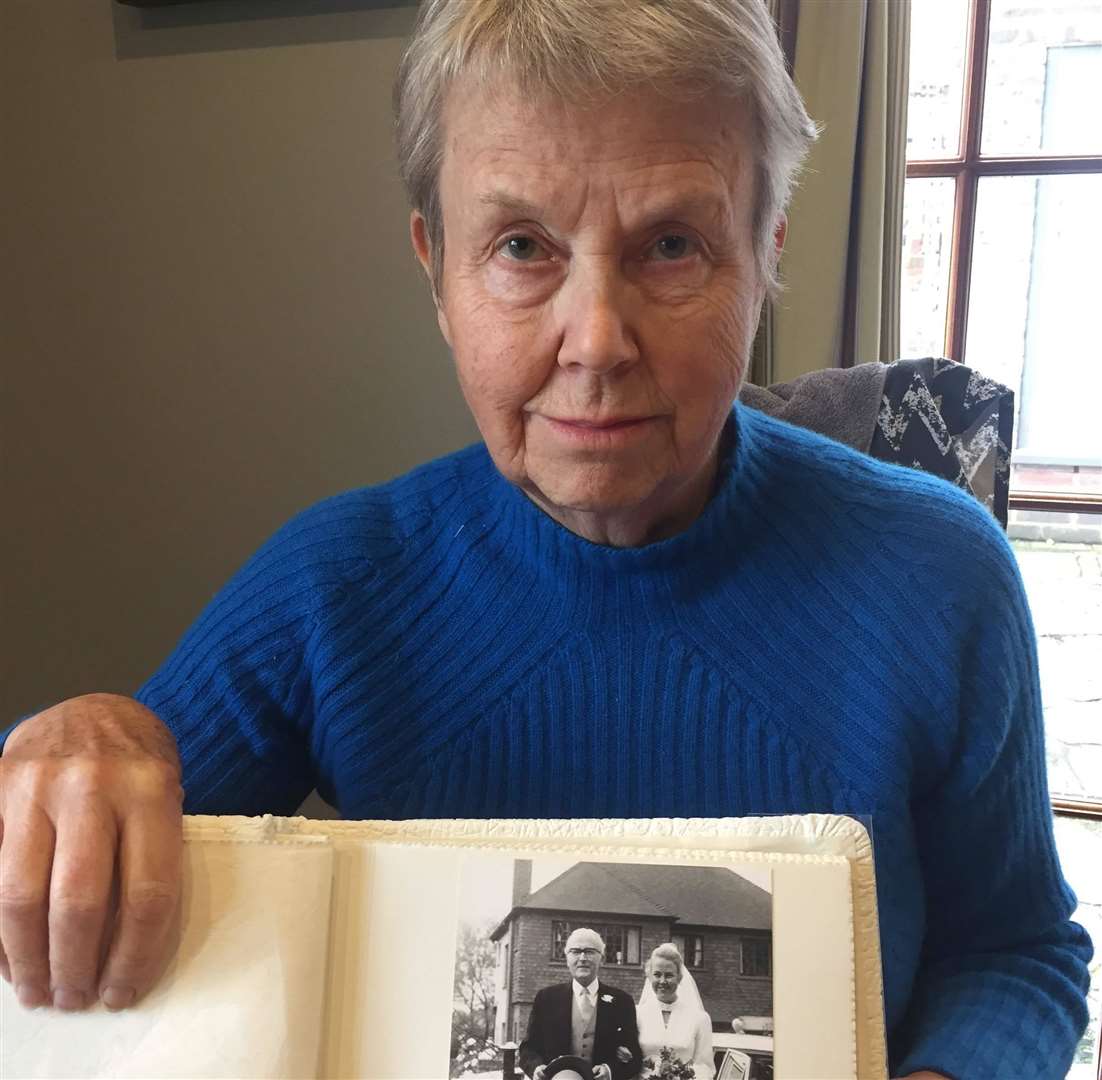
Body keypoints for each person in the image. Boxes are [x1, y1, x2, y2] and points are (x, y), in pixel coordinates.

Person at [0, 2, 1091, 1078]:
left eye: (671, 245)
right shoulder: (331, 592)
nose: (597, 343)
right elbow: (61, 882)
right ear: (438, 271)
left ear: (764, 254)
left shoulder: (939, 578)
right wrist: (76, 750)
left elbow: (1018, 953)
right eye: (522, 246)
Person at [518, 928, 641, 1080]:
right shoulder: (546, 998)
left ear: (601, 958)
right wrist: (536, 1068)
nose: (582, 957)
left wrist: (610, 1071)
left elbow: (635, 1057)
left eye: (589, 951)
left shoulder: (622, 1002)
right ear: (567, 959)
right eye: (575, 951)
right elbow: (528, 1049)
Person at [636, 944, 714, 1080]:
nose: (662, 981)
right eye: (657, 974)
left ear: (679, 977)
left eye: (669, 975)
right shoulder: (637, 1014)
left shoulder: (699, 1018)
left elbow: (705, 1067)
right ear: (649, 976)